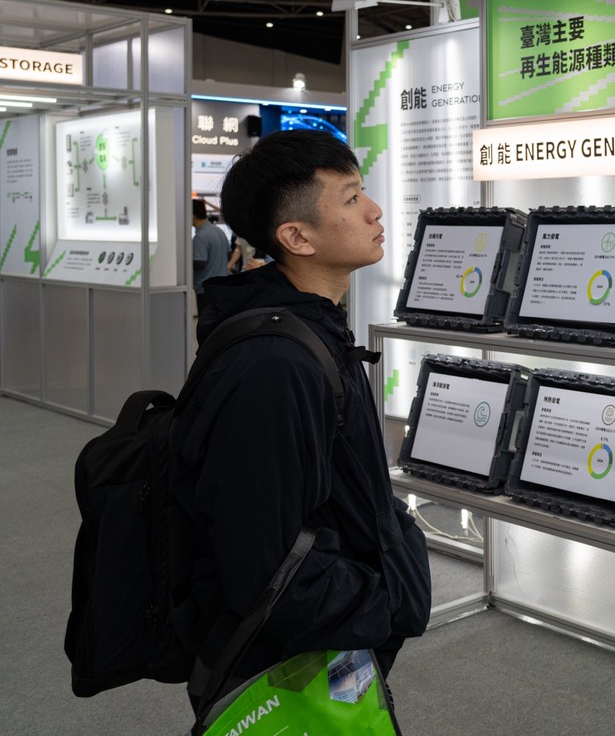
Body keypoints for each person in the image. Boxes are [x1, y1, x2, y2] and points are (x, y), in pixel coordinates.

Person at [168, 130, 431, 715]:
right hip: (285, 669)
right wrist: (387, 602)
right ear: (296, 237)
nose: (374, 211)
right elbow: (263, 565)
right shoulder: (274, 366)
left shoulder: (314, 330)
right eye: (351, 198)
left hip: (328, 644)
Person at [190, 199, 230, 316]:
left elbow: (200, 262)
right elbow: (228, 255)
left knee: (206, 323)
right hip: (222, 287)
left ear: (193, 216)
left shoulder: (200, 236)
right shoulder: (219, 231)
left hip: (205, 290)